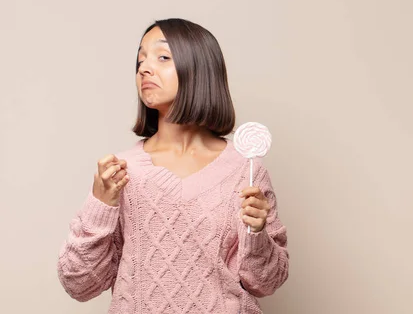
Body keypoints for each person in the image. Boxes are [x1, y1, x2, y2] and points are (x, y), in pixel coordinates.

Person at [57, 18, 289, 313]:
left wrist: (257, 234)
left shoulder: (246, 170)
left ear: (198, 69)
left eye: (162, 57)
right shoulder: (121, 172)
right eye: (140, 60)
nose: (144, 68)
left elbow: (266, 283)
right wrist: (100, 204)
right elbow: (78, 284)